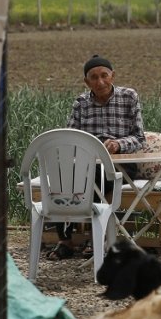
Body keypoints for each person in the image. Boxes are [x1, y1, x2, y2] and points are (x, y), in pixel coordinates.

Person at [47, 54, 146, 259]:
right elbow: (70, 136)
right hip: (87, 161)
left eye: (104, 76)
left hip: (120, 164)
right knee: (62, 174)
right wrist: (85, 148)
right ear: (86, 81)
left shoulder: (129, 97)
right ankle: (65, 240)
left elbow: (139, 137)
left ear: (113, 76)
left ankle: (95, 237)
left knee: (95, 176)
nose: (100, 82)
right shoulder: (81, 103)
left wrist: (118, 144)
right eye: (94, 77)